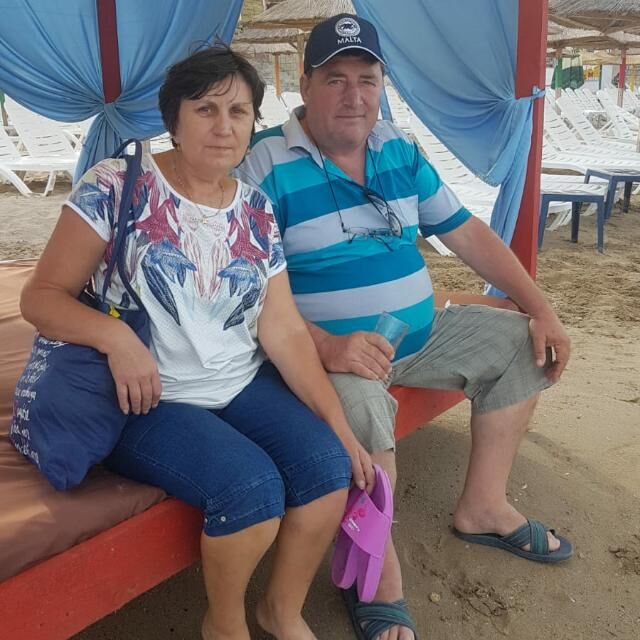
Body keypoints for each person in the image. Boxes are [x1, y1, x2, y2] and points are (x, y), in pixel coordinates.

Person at [20, 46, 375, 640]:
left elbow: (283, 328)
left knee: (328, 469)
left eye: (239, 111)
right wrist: (114, 337)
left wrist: (338, 424)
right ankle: (225, 624)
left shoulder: (256, 210)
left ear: (253, 123)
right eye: (205, 109)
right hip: (147, 398)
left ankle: (281, 611)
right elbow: (42, 297)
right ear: (174, 120)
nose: (223, 126)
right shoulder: (116, 185)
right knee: (251, 490)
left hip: (238, 383)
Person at [239, 13, 574, 640]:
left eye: (366, 80)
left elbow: (466, 233)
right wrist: (325, 345)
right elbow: (243, 286)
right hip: (328, 354)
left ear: (381, 86)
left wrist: (540, 307)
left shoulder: (397, 146)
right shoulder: (264, 164)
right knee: (364, 409)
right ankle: (375, 578)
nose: (354, 96)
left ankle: (483, 506)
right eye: (335, 80)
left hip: (418, 337)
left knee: (517, 344)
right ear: (304, 86)